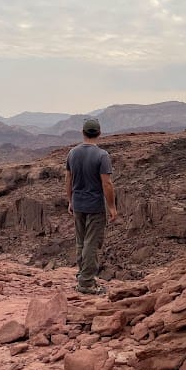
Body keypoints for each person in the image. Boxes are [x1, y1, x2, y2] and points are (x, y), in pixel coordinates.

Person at [65, 117, 118, 295]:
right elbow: (107, 184)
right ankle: (86, 283)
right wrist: (112, 207)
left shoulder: (72, 153)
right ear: (99, 133)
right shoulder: (102, 155)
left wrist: (70, 200)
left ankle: (82, 275)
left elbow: (68, 179)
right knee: (91, 243)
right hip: (94, 206)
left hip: (78, 204)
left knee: (81, 242)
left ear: (83, 132)